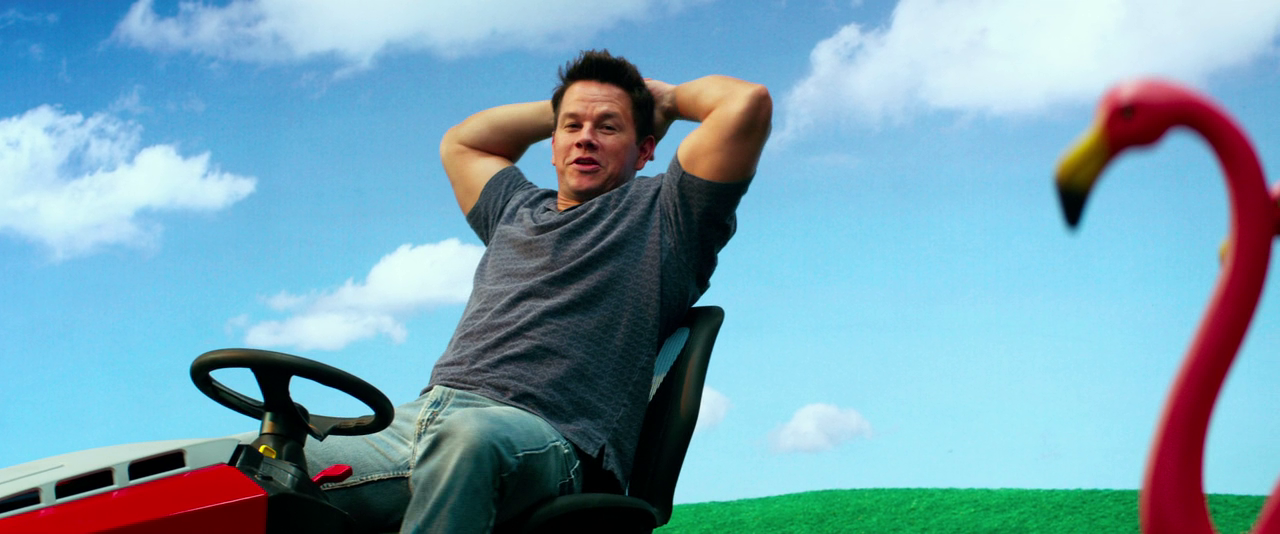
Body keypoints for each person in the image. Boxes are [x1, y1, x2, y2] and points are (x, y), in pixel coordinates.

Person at [304, 49, 771, 533]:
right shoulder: (513, 207)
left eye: (608, 127)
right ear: (552, 145)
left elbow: (745, 103)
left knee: (468, 439)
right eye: (572, 127)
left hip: (548, 437)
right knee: (270, 460)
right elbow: (462, 141)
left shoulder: (670, 216)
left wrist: (665, 100)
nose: (585, 137)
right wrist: (569, 108)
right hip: (419, 421)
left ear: (645, 150)